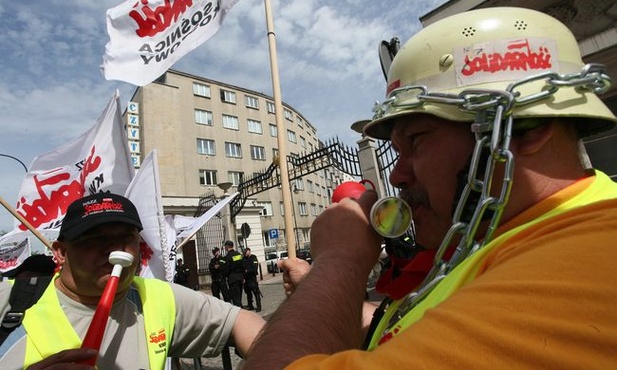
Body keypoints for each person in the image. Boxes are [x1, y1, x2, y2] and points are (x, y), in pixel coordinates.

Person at [243, 7, 617, 369]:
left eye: (418, 140)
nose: (398, 175)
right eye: (396, 152)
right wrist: (325, 293)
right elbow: (425, 324)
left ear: (528, 128)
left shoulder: (577, 270)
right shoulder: (512, 242)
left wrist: (340, 261)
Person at [0, 193, 264, 369]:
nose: (116, 251)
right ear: (61, 252)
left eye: (126, 238)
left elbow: (243, 323)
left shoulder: (158, 297)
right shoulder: (9, 301)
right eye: (95, 239)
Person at [223, 240, 244, 307]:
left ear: (227, 246)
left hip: (233, 279)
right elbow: (242, 265)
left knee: (235, 298)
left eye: (225, 246)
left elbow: (226, 269)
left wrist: (225, 275)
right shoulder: (238, 254)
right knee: (239, 296)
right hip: (240, 277)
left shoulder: (228, 257)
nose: (225, 248)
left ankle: (239, 313)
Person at [242, 248, 262, 312]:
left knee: (256, 293)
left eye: (246, 252)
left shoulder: (253, 257)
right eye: (244, 252)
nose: (245, 253)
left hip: (252, 279)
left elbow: (255, 268)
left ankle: (259, 306)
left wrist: (247, 271)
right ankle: (250, 305)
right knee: (248, 293)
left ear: (249, 251)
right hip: (246, 279)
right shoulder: (244, 259)